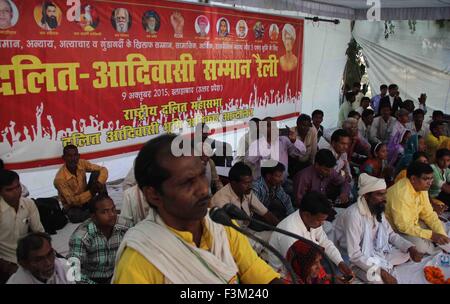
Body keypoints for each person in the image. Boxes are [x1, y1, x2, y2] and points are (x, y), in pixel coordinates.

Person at [112, 134, 283, 284]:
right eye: (187, 182)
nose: (203, 189)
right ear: (154, 194)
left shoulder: (222, 227)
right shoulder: (139, 262)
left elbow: (258, 273)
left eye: (202, 175)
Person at [333, 174, 423, 284]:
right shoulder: (354, 216)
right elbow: (355, 255)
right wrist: (382, 272)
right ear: (366, 196)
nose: (384, 198)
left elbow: (390, 234)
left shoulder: (377, 208)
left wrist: (410, 248)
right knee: (378, 280)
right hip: (353, 260)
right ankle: (377, 269)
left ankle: (383, 265)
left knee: (407, 253)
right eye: (380, 195)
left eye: (385, 194)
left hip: (374, 250)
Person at [268, 191, 353, 279]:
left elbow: (324, 241)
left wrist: (340, 262)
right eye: (319, 220)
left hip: (308, 267)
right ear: (307, 215)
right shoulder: (290, 235)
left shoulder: (312, 221)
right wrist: (330, 278)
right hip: (286, 277)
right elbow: (302, 272)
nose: (322, 223)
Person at [386, 162, 450, 255]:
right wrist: (432, 235)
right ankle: (436, 250)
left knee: (441, 227)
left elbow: (428, 214)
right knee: (419, 246)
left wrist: (441, 235)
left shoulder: (421, 187)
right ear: (413, 179)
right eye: (426, 179)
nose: (430, 182)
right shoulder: (401, 194)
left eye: (431, 178)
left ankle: (439, 245)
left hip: (414, 222)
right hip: (396, 229)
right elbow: (403, 227)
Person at [68, 194, 130, 284]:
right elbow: (72, 271)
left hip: (118, 273)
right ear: (93, 216)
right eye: (104, 212)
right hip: (92, 279)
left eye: (113, 209)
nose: (112, 215)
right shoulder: (81, 237)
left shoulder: (123, 225)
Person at [0, 170, 44, 283]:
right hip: (6, 262)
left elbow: (40, 233)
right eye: (9, 189)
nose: (16, 192)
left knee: (66, 270)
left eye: (17, 186)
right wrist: (6, 266)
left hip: (29, 255)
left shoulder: (28, 204)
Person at [211, 162, 279, 228]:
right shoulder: (221, 201)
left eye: (251, 182)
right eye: (246, 183)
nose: (250, 186)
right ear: (234, 183)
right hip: (231, 236)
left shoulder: (246, 191)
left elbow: (265, 213)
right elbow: (229, 232)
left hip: (244, 231)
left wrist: (281, 228)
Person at [53, 144, 108, 223]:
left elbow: (103, 169)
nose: (73, 159)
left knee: (97, 174)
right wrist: (91, 192)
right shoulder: (59, 179)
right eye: (69, 156)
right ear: (63, 158)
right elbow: (73, 201)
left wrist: (99, 183)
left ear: (78, 156)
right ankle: (97, 210)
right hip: (73, 205)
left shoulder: (81, 163)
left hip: (86, 196)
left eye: (75, 155)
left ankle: (104, 204)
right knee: (75, 217)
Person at [7, 232, 73, 284]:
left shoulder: (64, 267)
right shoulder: (17, 281)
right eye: (39, 260)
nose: (48, 263)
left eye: (49, 254)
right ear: (24, 264)